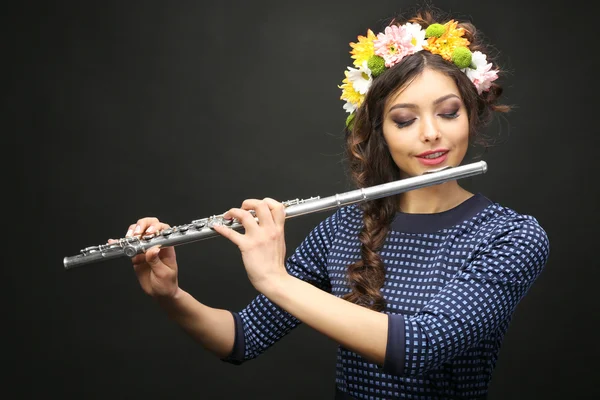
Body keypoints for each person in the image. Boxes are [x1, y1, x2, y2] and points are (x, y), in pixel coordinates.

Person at [112, 5, 550, 399]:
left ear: (472, 114)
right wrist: (170, 296)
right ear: (379, 130)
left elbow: (421, 346)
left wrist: (275, 279)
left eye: (448, 112)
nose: (430, 133)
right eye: (404, 119)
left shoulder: (512, 237)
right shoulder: (345, 227)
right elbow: (241, 339)